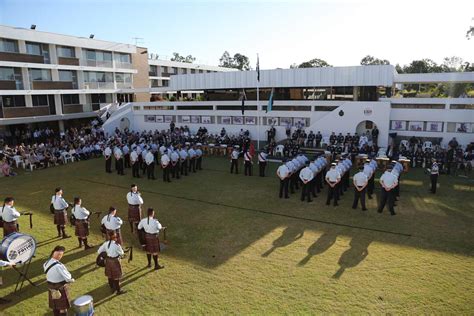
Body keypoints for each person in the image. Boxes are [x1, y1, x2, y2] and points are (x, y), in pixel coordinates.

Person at [44, 246, 75, 316]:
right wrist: (72, 280)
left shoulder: (46, 263)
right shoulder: (59, 266)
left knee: (55, 306)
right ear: (59, 255)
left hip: (51, 287)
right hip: (60, 287)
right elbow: (68, 278)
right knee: (63, 308)